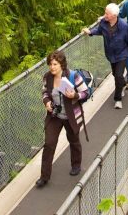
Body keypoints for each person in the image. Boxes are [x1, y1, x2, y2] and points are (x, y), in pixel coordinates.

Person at [36, 50, 89, 188]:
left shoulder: (73, 76)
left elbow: (86, 92)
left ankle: (76, 165)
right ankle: (44, 176)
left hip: (71, 115)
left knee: (74, 140)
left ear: (62, 64)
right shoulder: (47, 77)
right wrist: (47, 102)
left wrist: (75, 96)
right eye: (50, 64)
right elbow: (44, 92)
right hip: (55, 115)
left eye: (55, 64)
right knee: (49, 144)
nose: (52, 67)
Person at [82, 3, 128, 110]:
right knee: (115, 74)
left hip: (122, 54)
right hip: (111, 54)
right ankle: (122, 84)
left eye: (107, 13)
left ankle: (118, 100)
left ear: (114, 15)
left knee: (118, 75)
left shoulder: (124, 27)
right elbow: (99, 31)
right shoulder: (103, 22)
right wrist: (90, 32)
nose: (104, 15)